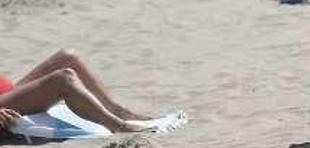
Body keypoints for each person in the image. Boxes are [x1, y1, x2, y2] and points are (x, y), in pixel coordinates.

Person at [0, 49, 178, 134]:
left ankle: (121, 113)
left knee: (68, 57)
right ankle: (118, 126)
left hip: (8, 93)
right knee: (64, 78)